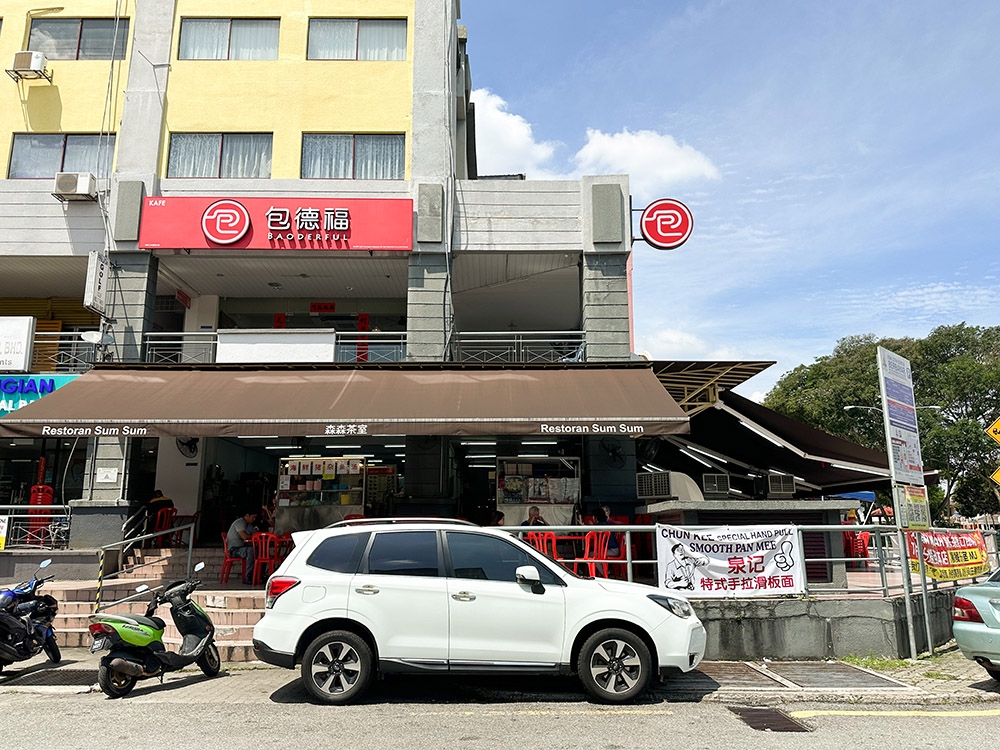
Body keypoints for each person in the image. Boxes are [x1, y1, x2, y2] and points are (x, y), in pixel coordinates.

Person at [226, 509, 259, 585]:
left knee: (259, 551)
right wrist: (252, 536)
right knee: (251, 551)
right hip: (233, 550)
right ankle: (248, 577)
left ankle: (259, 575)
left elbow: (255, 534)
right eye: (253, 517)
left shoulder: (249, 526)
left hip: (241, 548)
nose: (254, 519)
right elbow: (244, 536)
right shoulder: (239, 523)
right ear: (247, 516)